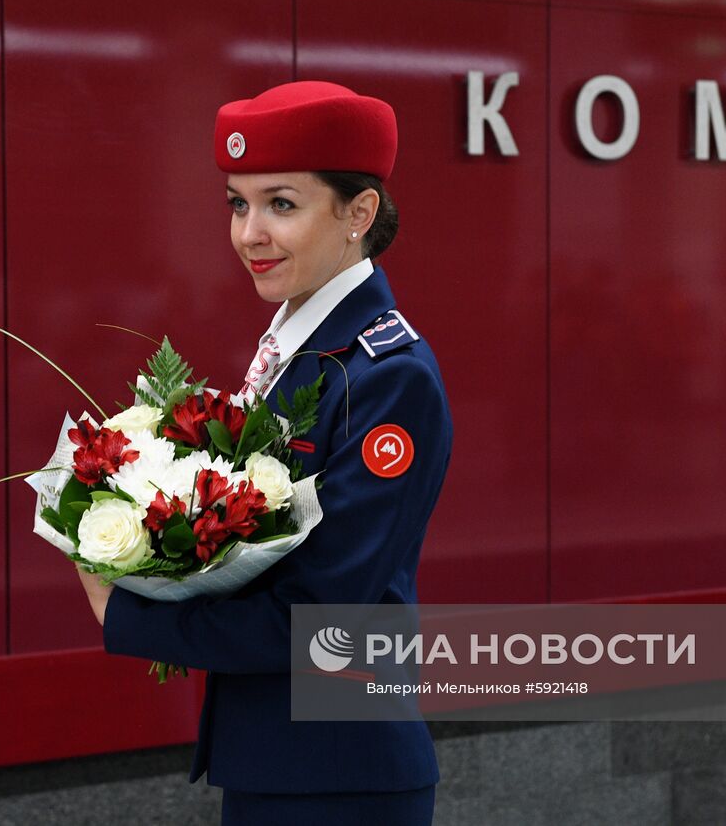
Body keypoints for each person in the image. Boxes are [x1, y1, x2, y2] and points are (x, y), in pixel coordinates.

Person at [74, 80, 453, 826]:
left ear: (359, 213)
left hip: (339, 772)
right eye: (237, 203)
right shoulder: (299, 346)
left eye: (281, 203)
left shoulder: (386, 375)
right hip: (281, 758)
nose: (250, 232)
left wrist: (128, 613)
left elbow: (321, 618)